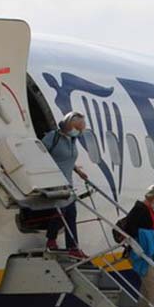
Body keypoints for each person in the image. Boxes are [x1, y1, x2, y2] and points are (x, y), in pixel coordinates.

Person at [42, 111, 89, 258]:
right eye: (77, 128)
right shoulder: (53, 137)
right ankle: (72, 247)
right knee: (67, 211)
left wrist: (78, 171)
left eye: (81, 129)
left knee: (66, 212)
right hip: (54, 181)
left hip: (67, 182)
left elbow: (67, 158)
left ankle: (53, 240)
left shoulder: (72, 140)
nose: (79, 132)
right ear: (68, 125)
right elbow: (39, 153)